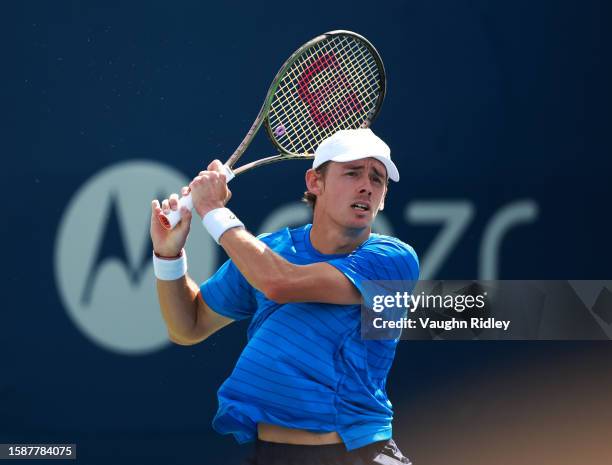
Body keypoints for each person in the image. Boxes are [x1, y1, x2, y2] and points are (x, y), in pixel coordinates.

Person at [150, 128, 419, 465]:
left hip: (356, 454)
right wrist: (168, 258)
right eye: (352, 172)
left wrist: (213, 211)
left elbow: (280, 282)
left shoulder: (392, 260)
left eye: (377, 179)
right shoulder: (268, 250)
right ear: (314, 182)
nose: (367, 185)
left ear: (382, 199)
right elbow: (187, 326)